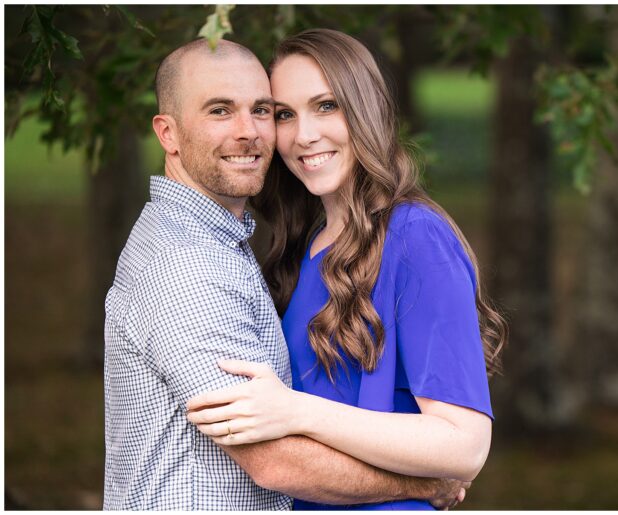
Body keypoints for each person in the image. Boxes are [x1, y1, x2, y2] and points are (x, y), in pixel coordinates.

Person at [103, 37, 468, 510]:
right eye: (219, 111)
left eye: (260, 110)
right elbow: (274, 460)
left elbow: (461, 435)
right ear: (168, 134)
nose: (249, 131)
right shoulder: (185, 264)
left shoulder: (232, 242)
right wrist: (423, 485)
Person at [187, 29, 508, 510]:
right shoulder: (304, 245)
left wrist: (296, 411)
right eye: (284, 116)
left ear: (366, 109)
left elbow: (465, 445)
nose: (304, 135)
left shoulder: (416, 237)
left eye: (326, 106)